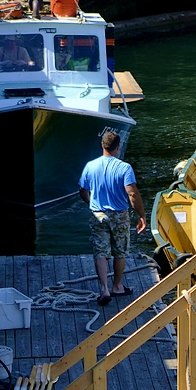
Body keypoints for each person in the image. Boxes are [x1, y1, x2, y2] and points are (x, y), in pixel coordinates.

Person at [78, 130, 147, 305]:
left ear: (102, 145)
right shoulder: (124, 168)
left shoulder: (90, 166)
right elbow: (132, 194)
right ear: (117, 147)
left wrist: (90, 204)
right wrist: (142, 215)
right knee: (120, 251)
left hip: (98, 213)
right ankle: (117, 286)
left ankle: (104, 289)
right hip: (119, 214)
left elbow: (82, 191)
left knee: (100, 251)